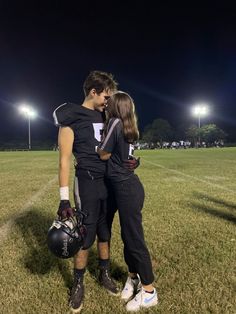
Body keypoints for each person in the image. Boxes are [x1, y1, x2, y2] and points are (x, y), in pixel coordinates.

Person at [53, 71, 120, 313]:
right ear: (93, 92)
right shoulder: (71, 117)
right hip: (88, 181)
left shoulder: (107, 114)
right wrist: (63, 200)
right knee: (84, 235)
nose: (107, 100)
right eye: (105, 95)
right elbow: (63, 161)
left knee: (105, 231)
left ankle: (104, 274)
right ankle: (78, 282)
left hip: (109, 180)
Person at [97, 91, 158, 312]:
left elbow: (103, 153)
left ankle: (149, 291)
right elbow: (127, 156)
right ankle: (132, 278)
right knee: (127, 236)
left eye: (109, 102)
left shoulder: (113, 121)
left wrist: (98, 149)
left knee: (134, 239)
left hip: (126, 188)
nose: (106, 104)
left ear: (116, 107)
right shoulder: (128, 124)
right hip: (126, 187)